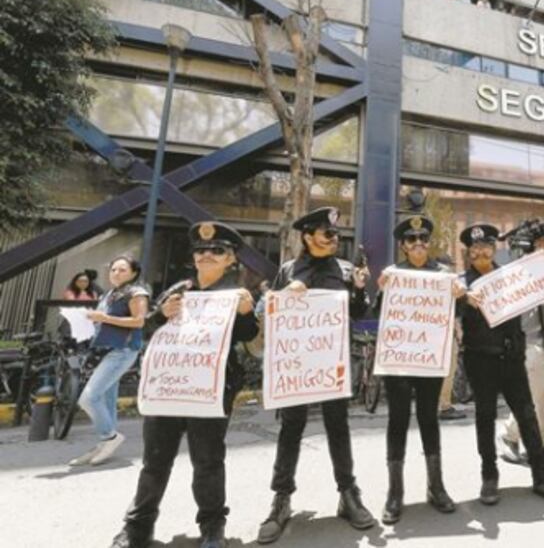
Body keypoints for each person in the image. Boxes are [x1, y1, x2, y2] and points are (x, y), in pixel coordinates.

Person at [110, 222, 258, 548]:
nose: (206, 255)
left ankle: (212, 529)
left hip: (210, 392)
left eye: (217, 251)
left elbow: (249, 336)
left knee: (207, 462)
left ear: (231, 259)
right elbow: (146, 329)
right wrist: (161, 314)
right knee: (155, 461)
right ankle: (137, 527)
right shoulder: (178, 290)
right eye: (201, 250)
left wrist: (247, 313)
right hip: (168, 390)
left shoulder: (236, 295)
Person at [258, 207, 374, 544]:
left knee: (339, 429)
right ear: (307, 237)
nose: (334, 239)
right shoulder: (288, 269)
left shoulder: (346, 268)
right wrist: (278, 298)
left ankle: (348, 493)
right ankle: (281, 499)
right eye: (327, 233)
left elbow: (359, 312)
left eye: (337, 234)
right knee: (290, 430)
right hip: (297, 368)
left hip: (332, 366)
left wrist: (358, 290)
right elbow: (272, 313)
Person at [458, 223, 544, 507]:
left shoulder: (511, 276)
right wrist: (461, 300)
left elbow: (540, 285)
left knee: (527, 416)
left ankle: (543, 478)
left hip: (512, 358)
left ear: (495, 249)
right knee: (484, 417)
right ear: (467, 253)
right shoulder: (460, 285)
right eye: (475, 248)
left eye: (486, 247)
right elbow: (450, 320)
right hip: (480, 359)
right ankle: (489, 476)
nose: (481, 252)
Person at [376, 215, 462, 524]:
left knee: (429, 419)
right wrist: (381, 290)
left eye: (423, 239)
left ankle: (435, 486)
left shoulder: (443, 274)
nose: (418, 244)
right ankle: (395, 491)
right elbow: (377, 312)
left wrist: (458, 296)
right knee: (397, 421)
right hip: (398, 360)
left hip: (429, 359)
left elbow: (457, 310)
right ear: (402, 245)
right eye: (411, 240)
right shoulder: (393, 274)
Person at [499, 219, 544, 464]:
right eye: (540, 242)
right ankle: (511, 436)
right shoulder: (516, 271)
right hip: (529, 338)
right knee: (530, 393)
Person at [69, 255, 149, 467]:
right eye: (114, 269)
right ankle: (105, 442)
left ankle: (110, 438)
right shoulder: (110, 294)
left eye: (122, 270)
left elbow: (139, 321)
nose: (116, 273)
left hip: (122, 350)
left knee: (88, 398)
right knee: (105, 400)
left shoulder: (136, 292)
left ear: (133, 273)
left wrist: (104, 318)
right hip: (106, 350)